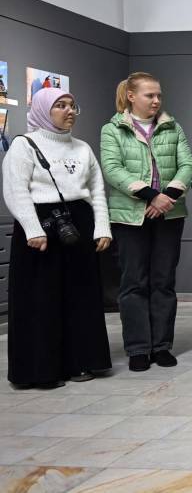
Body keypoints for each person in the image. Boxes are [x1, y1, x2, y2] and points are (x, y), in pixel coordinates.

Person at [3, 88, 112, 388]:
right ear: (42, 110)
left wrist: (102, 227)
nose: (69, 111)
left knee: (81, 296)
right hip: (42, 227)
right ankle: (42, 370)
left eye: (72, 105)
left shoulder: (82, 148)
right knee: (41, 299)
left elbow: (97, 190)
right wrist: (32, 228)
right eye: (61, 106)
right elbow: (16, 189)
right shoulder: (24, 145)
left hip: (80, 224)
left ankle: (80, 362)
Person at [101, 72, 192, 373]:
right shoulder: (112, 129)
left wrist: (167, 197)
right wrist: (151, 196)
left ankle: (161, 346)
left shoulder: (173, 127)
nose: (156, 100)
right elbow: (112, 169)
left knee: (163, 281)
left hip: (169, 214)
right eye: (149, 95)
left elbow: (187, 165)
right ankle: (138, 348)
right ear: (131, 96)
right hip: (130, 218)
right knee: (133, 283)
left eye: (159, 95)